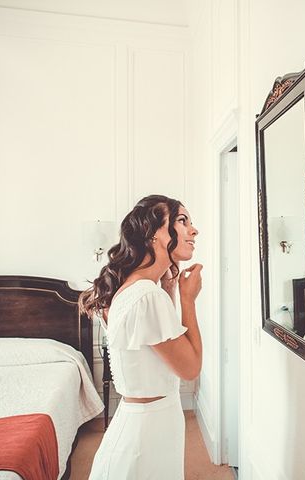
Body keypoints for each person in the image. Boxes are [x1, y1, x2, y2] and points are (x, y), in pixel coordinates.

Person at [79, 194, 202, 480]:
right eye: (182, 221)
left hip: (143, 425)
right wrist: (188, 300)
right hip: (146, 438)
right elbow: (191, 367)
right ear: (153, 235)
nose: (193, 230)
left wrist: (169, 291)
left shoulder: (135, 290)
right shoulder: (148, 296)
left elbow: (155, 349)